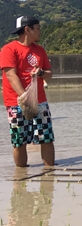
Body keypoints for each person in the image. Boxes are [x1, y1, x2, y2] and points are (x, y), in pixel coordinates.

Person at [1, 16, 55, 167]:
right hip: (16, 102)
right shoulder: (8, 49)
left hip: (40, 102)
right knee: (19, 141)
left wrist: (41, 73)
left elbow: (49, 74)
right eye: (37, 28)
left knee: (46, 138)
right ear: (27, 29)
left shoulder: (40, 50)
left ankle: (49, 174)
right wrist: (25, 98)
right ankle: (21, 176)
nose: (40, 31)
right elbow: (11, 76)